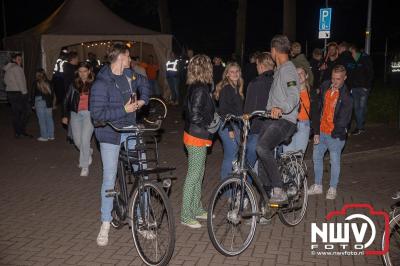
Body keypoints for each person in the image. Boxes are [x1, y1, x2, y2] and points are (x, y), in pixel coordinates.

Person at [90, 43, 150, 246]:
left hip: (130, 130)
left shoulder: (130, 75)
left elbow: (145, 83)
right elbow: (97, 116)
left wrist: (143, 101)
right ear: (121, 58)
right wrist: (124, 110)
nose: (131, 59)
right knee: (109, 178)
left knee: (143, 174)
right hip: (110, 134)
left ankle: (142, 220)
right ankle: (105, 223)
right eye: (129, 56)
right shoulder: (101, 83)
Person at [256, 35, 300, 204]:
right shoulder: (279, 70)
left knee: (262, 147)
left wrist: (281, 108)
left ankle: (279, 189)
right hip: (272, 120)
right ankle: (266, 203)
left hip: (285, 120)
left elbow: (294, 95)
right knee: (261, 159)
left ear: (274, 51)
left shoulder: (288, 69)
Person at [308, 65, 353, 200]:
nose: (335, 81)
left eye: (338, 79)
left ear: (345, 78)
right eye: (333, 78)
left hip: (335, 135)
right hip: (321, 132)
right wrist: (316, 131)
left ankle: (333, 187)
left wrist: (335, 133)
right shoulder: (325, 86)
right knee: (316, 157)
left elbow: (344, 119)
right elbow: (316, 108)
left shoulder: (347, 97)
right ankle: (318, 185)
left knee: (334, 161)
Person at [181, 54, 215, 228]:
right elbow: (195, 115)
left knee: (199, 174)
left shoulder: (196, 86)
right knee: (193, 176)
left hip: (194, 135)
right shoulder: (201, 88)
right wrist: (210, 124)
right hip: (196, 136)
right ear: (205, 68)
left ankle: (196, 208)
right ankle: (186, 214)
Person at [62, 62, 95, 177]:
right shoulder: (74, 84)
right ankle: (88, 152)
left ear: (89, 71)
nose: (82, 74)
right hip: (75, 114)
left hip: (89, 114)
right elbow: (66, 99)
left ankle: (84, 165)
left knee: (85, 139)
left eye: (84, 71)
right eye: (80, 71)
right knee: (77, 141)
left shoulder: (94, 84)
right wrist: (65, 115)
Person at [243, 52, 274, 168]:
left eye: (256, 65)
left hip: (258, 128)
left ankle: (245, 185)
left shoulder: (255, 83)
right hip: (275, 128)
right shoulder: (278, 81)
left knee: (248, 165)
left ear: (260, 65)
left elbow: (248, 109)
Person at [214, 62, 244, 180]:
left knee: (234, 156)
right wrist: (230, 129)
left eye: (237, 71)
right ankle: (227, 191)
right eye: (232, 72)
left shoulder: (236, 88)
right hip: (227, 125)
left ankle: (230, 187)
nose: (235, 74)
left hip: (234, 124)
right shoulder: (227, 89)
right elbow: (223, 110)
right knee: (230, 157)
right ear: (227, 74)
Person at [283, 66, 312, 154]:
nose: (298, 75)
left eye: (301, 73)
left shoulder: (312, 92)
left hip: (304, 125)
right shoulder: (289, 90)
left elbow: (315, 112)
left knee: (298, 157)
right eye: (296, 74)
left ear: (306, 75)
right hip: (289, 124)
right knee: (288, 157)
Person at [3, 53, 32, 138]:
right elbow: (21, 82)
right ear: (14, 60)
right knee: (27, 112)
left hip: (10, 93)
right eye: (19, 59)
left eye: (21, 59)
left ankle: (18, 132)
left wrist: (11, 85)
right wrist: (25, 93)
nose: (21, 61)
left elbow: (4, 81)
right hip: (19, 93)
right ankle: (21, 131)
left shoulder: (8, 69)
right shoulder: (17, 68)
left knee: (16, 113)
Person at [349, 43, 374, 135]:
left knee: (361, 108)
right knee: (357, 108)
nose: (350, 54)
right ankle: (360, 126)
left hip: (363, 88)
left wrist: (366, 86)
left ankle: (360, 127)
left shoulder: (365, 59)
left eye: (350, 52)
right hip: (355, 87)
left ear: (354, 51)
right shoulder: (353, 61)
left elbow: (370, 73)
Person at [32, 69, 55, 141]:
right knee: (49, 119)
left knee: (42, 120)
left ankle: (44, 136)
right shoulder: (49, 82)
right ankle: (51, 135)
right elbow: (52, 94)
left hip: (39, 101)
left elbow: (33, 94)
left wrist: (33, 104)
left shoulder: (35, 82)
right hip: (48, 102)